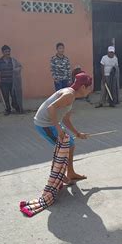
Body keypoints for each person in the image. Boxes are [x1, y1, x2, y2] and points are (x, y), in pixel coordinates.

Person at [20, 73, 93, 217]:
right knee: (64, 147)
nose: (90, 90)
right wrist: (58, 129)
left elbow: (65, 118)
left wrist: (77, 133)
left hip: (52, 123)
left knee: (70, 144)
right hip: (44, 124)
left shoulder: (71, 96)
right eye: (89, 87)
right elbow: (51, 109)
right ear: (83, 87)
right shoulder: (69, 95)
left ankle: (70, 173)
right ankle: (60, 176)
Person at [0, 45, 23, 115]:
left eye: (8, 51)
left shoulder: (13, 60)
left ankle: (16, 107)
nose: (8, 53)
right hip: (3, 82)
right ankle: (8, 109)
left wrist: (16, 70)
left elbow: (20, 66)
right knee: (5, 97)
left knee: (14, 96)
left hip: (13, 82)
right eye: (6, 51)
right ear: (2, 52)